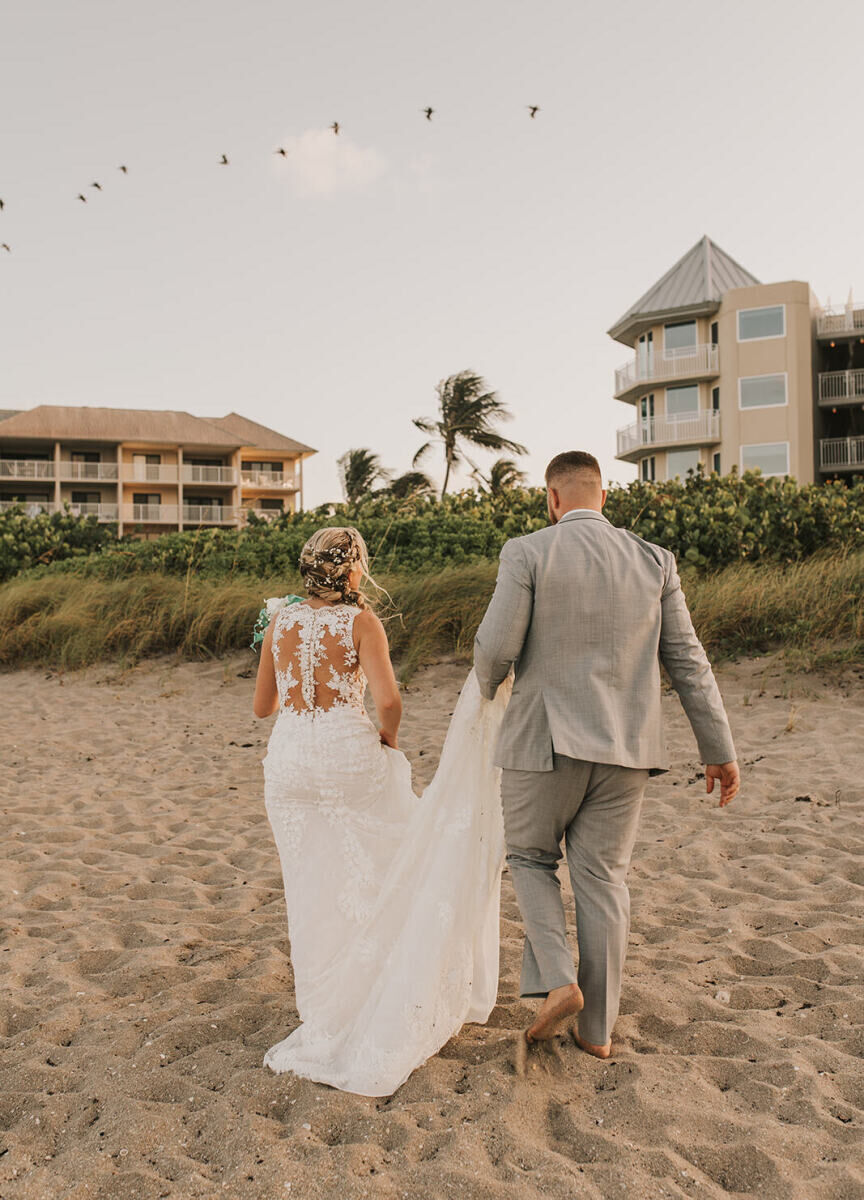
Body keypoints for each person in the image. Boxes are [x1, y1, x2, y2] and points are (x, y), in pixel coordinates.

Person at [473, 450, 739, 1060]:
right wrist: (718, 750)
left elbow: (494, 652)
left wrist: (485, 695)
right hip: (627, 748)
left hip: (545, 741)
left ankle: (560, 983)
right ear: (603, 496)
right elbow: (689, 662)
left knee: (531, 857)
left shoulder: (528, 551)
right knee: (604, 880)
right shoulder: (654, 560)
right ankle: (597, 1032)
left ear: (552, 499)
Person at [252, 526, 511, 1097]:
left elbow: (261, 706)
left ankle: (326, 1005)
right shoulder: (361, 622)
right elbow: (389, 700)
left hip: (290, 765)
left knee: (313, 885)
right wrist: (387, 740)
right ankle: (381, 986)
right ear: (351, 570)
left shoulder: (280, 621)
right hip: (347, 757)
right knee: (396, 860)